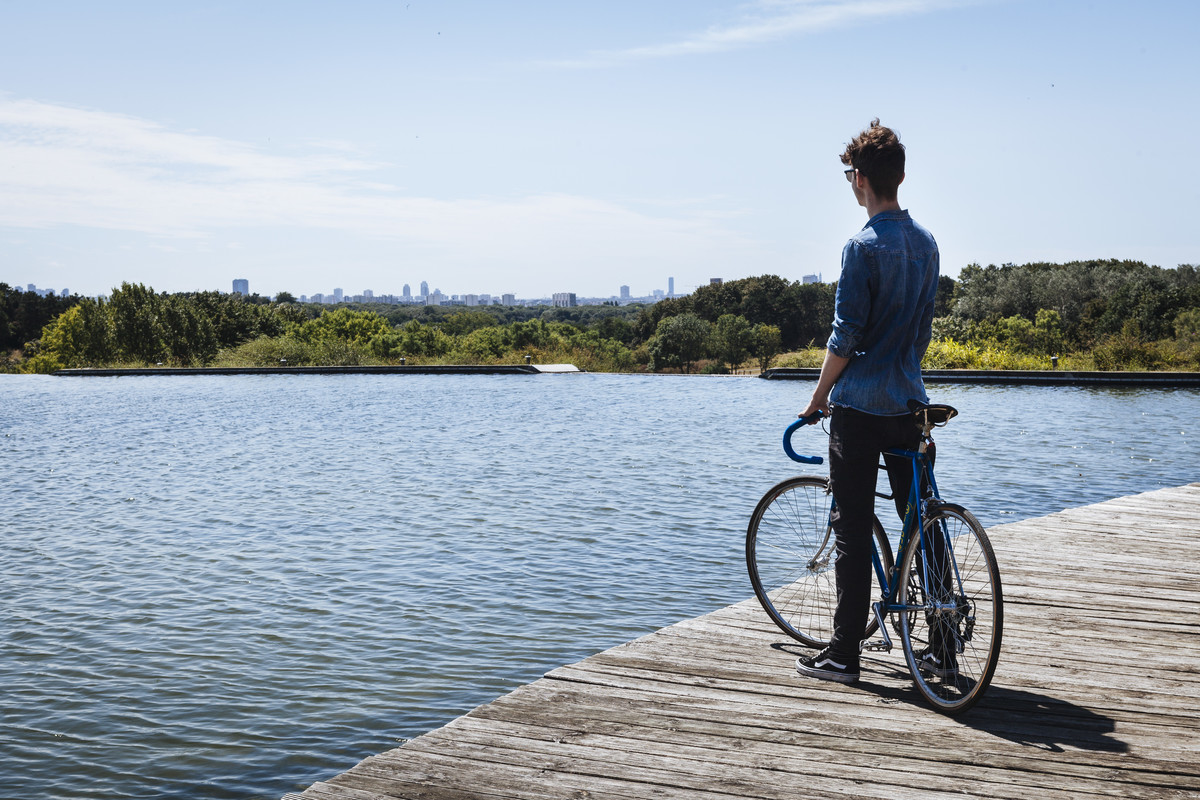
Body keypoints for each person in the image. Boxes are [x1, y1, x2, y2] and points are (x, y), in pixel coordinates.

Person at [794, 119, 941, 684]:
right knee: (921, 523)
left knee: (853, 530)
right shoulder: (926, 243)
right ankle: (942, 645)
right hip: (909, 402)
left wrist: (817, 398)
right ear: (899, 177)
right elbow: (921, 329)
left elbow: (845, 335)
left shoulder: (861, 247)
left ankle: (842, 654)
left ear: (859, 179)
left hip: (858, 409)